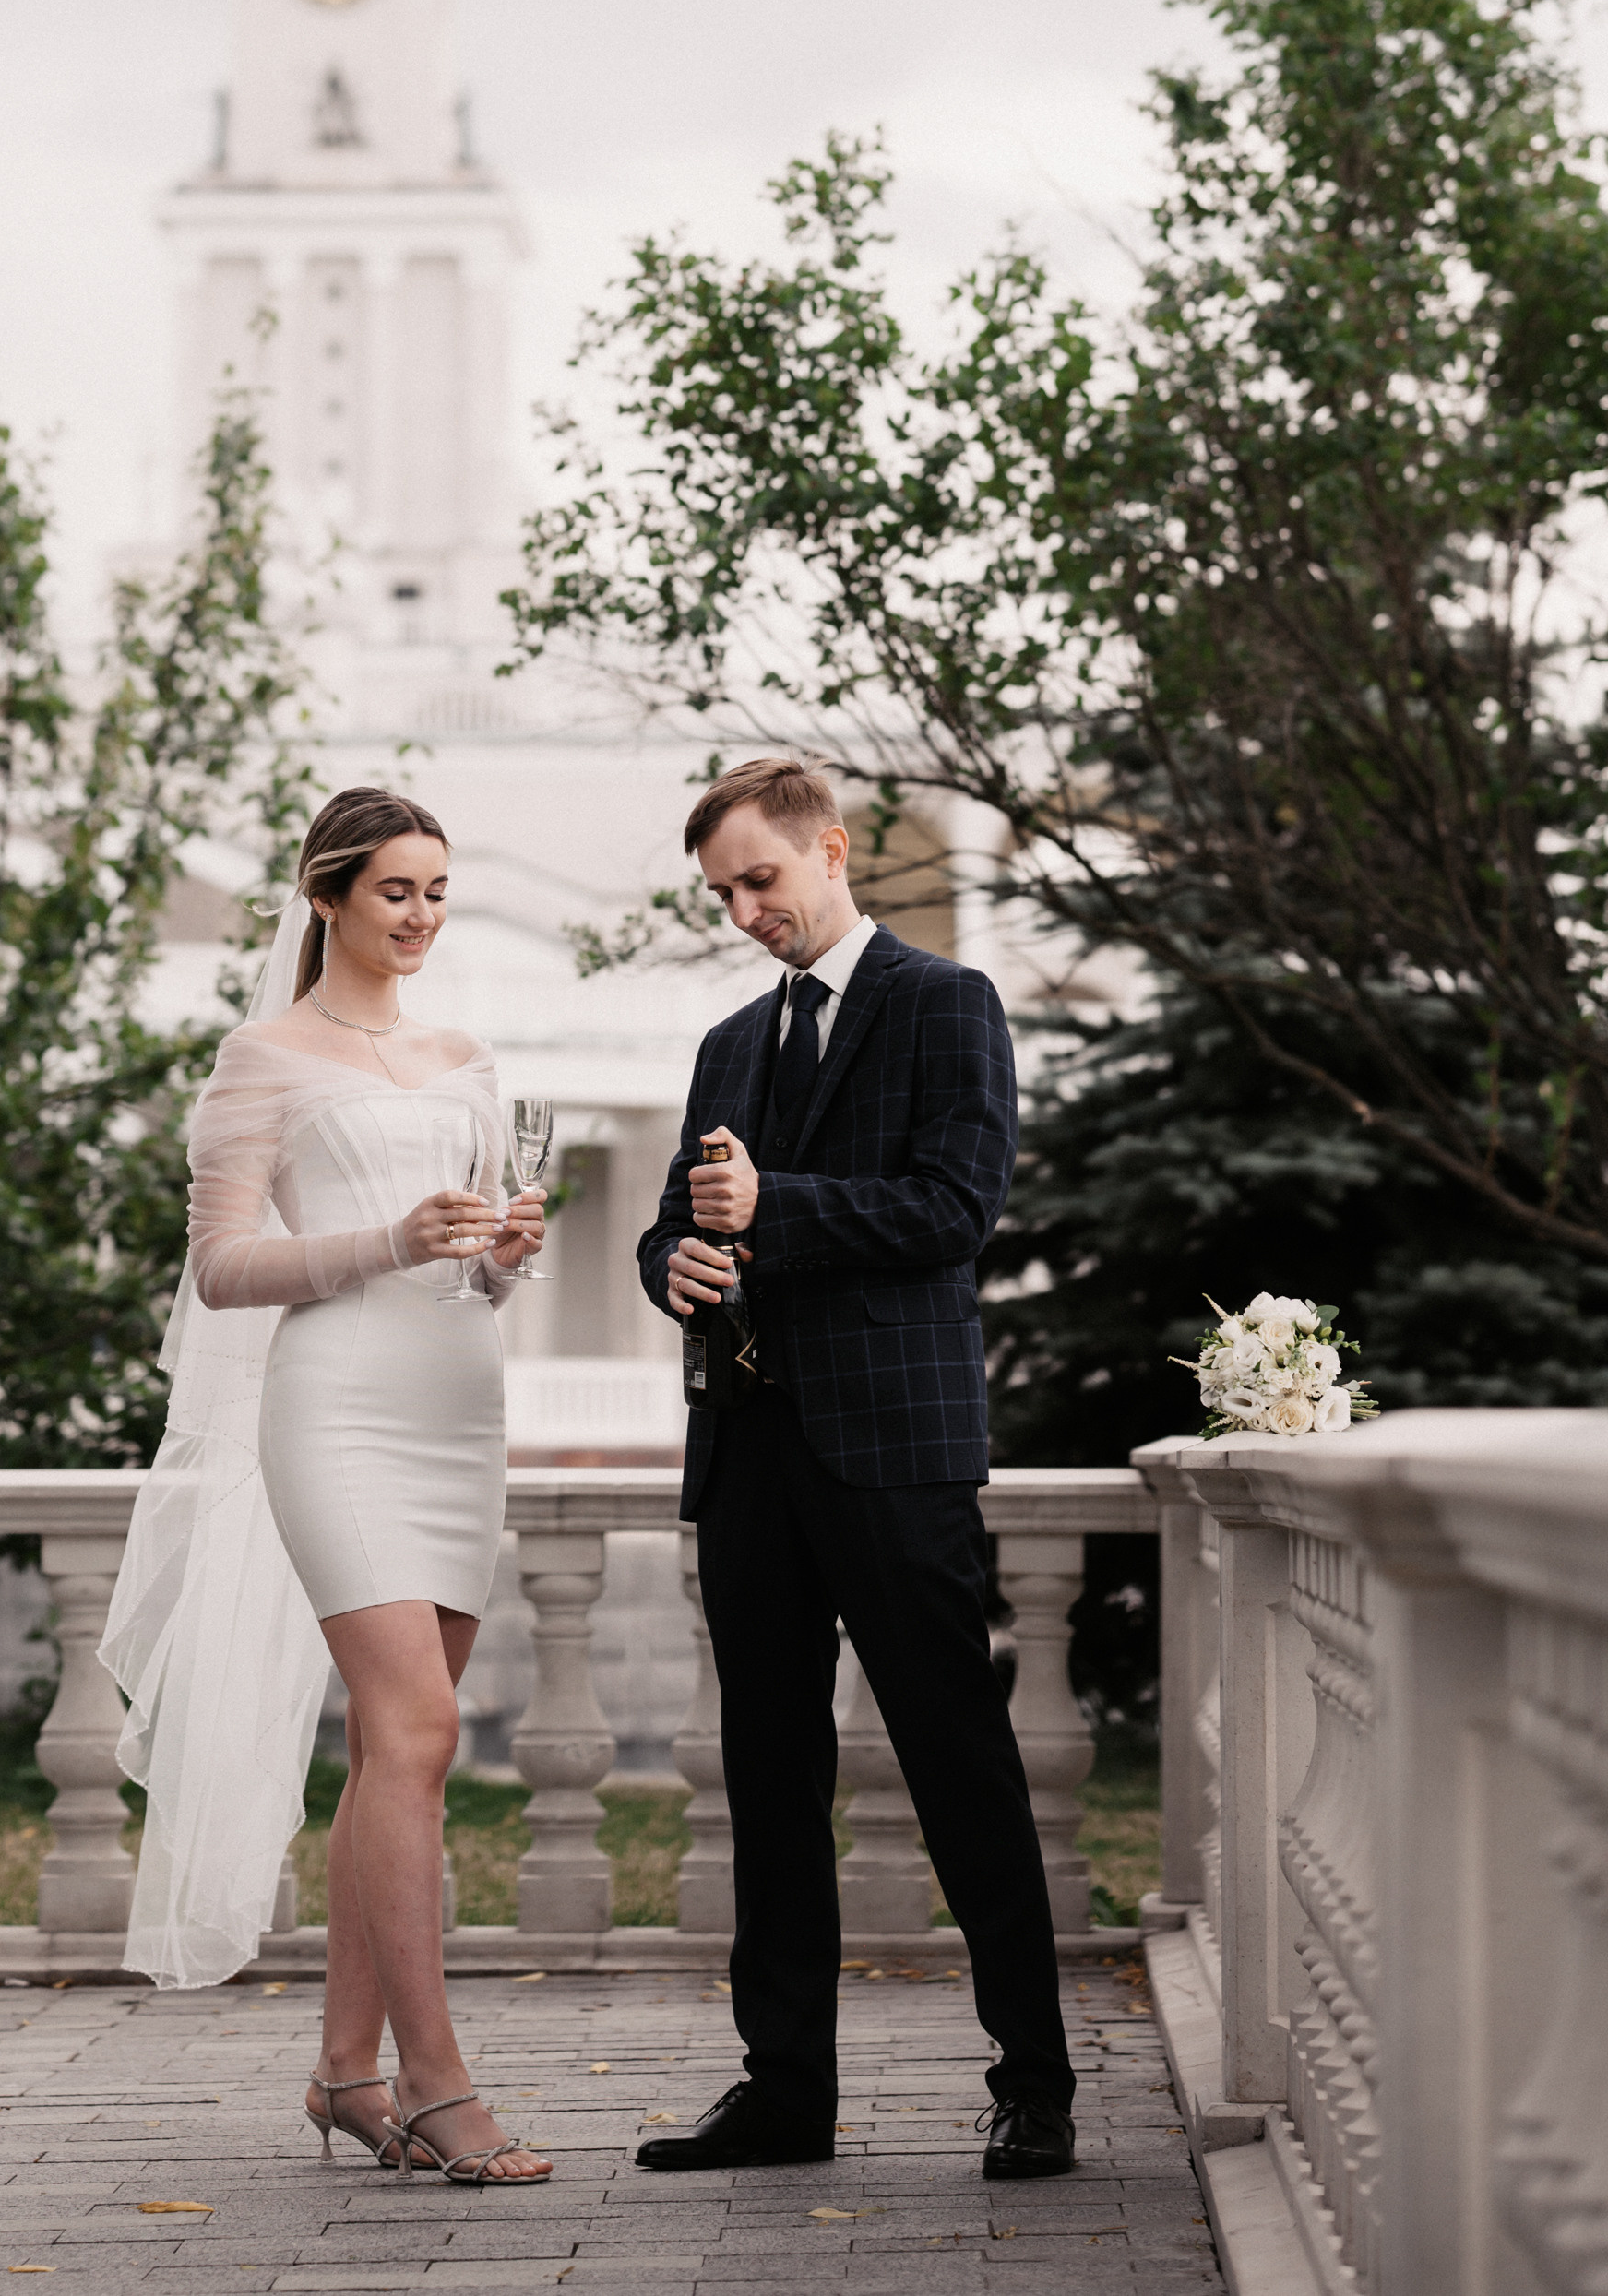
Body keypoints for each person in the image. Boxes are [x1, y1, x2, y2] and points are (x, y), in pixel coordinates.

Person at [632, 757, 1076, 2183]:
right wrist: (678, 1266)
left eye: (761, 880)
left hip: (892, 1456)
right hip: (750, 1457)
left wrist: (777, 1207)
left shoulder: (946, 1003)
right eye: (723, 894)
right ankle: (785, 2093)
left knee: (959, 1763)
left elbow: (957, 1208)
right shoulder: (723, 1046)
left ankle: (1036, 2085)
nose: (746, 910)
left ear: (831, 851)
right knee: (767, 1779)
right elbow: (663, 1235)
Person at [101, 788, 552, 2185]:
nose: (417, 918)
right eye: (393, 892)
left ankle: (342, 2071)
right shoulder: (264, 1057)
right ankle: (435, 2082)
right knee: (415, 1734)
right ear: (326, 897)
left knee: (390, 1750)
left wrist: (500, 1254)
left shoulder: (467, 1058)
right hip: (336, 1403)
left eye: (435, 893)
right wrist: (380, 1238)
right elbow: (224, 1269)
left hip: (457, 1401)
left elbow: (466, 1256)